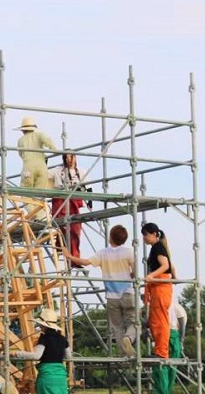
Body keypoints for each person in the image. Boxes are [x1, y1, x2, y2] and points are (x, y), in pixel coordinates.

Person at [63, 224, 137, 358]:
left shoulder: (103, 253)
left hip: (111, 296)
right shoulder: (129, 252)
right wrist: (131, 275)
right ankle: (129, 338)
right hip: (127, 292)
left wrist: (69, 256)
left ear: (110, 237)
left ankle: (124, 354)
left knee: (117, 326)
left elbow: (85, 262)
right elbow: (135, 272)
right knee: (134, 322)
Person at [11, 308, 71, 394]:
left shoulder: (44, 338)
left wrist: (19, 354)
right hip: (61, 379)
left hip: (47, 377)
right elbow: (69, 357)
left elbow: (37, 356)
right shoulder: (63, 339)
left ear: (44, 325)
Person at [141, 222, 174, 361]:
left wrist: (152, 275)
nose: (144, 238)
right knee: (155, 320)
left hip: (160, 286)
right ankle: (159, 350)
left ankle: (162, 351)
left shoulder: (158, 247)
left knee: (160, 321)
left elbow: (165, 265)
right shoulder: (157, 247)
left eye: (146, 235)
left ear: (154, 234)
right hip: (158, 286)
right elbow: (171, 265)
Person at [49, 152, 87, 258]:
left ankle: (73, 256)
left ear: (75, 158)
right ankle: (61, 246)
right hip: (60, 201)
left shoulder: (81, 172)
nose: (69, 159)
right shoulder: (57, 170)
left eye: (71, 157)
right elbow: (44, 175)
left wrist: (90, 202)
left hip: (73, 202)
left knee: (75, 230)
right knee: (61, 227)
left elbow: (87, 187)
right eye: (66, 157)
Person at [154, 295, 187, 394]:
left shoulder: (173, 307)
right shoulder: (176, 307)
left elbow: (181, 323)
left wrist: (181, 340)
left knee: (162, 367)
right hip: (173, 336)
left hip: (170, 335)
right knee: (169, 368)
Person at [15, 116, 58, 190]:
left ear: (23, 130)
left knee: (26, 191)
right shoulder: (39, 135)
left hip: (28, 168)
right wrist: (55, 150)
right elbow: (48, 141)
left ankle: (28, 202)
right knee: (40, 192)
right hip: (42, 167)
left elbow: (21, 154)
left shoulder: (20, 140)